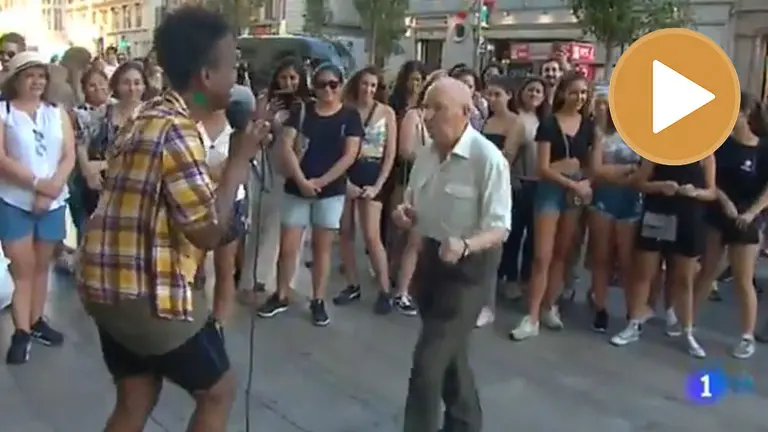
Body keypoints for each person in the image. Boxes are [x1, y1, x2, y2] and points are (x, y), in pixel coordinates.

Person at [76, 7, 270, 430]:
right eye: (232, 66)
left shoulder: (147, 115)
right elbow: (206, 232)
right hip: (144, 292)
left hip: (105, 282)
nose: (236, 78)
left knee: (136, 394)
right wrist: (237, 163)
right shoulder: (178, 132)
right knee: (218, 390)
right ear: (205, 75)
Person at [396, 77, 510, 432]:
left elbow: (499, 227)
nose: (427, 116)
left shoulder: (487, 159)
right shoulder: (427, 155)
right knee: (451, 359)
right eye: (425, 107)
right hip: (431, 261)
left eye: (437, 108)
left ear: (465, 112)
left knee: (429, 363)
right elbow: (412, 204)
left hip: (469, 270)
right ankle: (466, 424)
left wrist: (464, 245)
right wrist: (404, 213)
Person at [257, 62, 362, 326]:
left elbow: (350, 155)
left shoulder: (349, 116)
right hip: (297, 188)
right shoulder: (302, 111)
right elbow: (286, 145)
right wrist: (303, 181)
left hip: (331, 191)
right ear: (313, 86)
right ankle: (280, 294)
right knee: (289, 246)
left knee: (321, 248)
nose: (327, 89)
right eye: (321, 84)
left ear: (340, 86)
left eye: (333, 84)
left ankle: (318, 299)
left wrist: (321, 181)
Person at [0, 52, 76, 364]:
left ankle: (36, 321)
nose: (37, 81)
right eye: (29, 75)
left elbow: (68, 154)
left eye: (41, 76)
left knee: (43, 265)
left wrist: (53, 186)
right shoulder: (4, 112)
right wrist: (35, 184)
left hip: (53, 201)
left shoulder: (56, 112)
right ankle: (20, 331)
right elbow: (1, 157)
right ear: (15, 79)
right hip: (14, 200)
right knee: (23, 268)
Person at [510, 72, 595, 341]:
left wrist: (585, 183)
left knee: (562, 253)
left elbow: (593, 165)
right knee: (542, 255)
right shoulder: (549, 123)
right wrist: (573, 183)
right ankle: (532, 315)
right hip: (551, 191)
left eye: (583, 92)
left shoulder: (589, 126)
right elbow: (542, 168)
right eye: (574, 92)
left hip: (575, 193)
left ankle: (549, 306)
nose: (579, 97)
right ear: (562, 93)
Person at [691, 92, 768, 359]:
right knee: (707, 271)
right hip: (719, 213)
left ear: (746, 114)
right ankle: (688, 323)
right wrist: (725, 204)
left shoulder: (763, 148)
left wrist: (751, 214)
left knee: (742, 278)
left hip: (748, 218)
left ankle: (746, 336)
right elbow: (712, 180)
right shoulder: (722, 144)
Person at [238, 57, 310, 298]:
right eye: (283, 77)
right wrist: (268, 117)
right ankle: (253, 279)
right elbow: (255, 131)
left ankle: (280, 282)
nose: (288, 82)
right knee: (260, 225)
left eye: (292, 77)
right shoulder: (265, 100)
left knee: (289, 228)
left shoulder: (305, 105)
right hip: (266, 168)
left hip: (294, 168)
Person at [335, 67, 397, 313]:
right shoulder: (345, 109)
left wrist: (379, 184)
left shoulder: (387, 112)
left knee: (372, 236)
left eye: (373, 85)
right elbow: (337, 147)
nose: (368, 89)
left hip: (373, 173)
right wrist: (344, 181)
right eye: (364, 84)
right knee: (345, 232)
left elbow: (390, 154)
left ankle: (384, 290)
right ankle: (352, 284)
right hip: (347, 173)